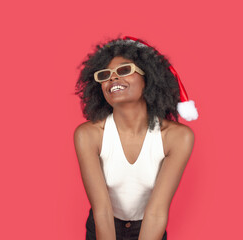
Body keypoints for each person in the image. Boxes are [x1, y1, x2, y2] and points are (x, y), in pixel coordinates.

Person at [73, 36, 197, 240]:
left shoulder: (177, 137)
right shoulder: (88, 135)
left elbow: (156, 212)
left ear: (148, 78)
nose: (112, 79)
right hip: (102, 228)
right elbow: (102, 210)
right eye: (105, 75)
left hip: (149, 228)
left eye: (123, 71)